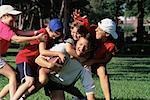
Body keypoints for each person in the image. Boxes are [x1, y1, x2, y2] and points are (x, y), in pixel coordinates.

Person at [11, 18, 64, 100]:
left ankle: (20, 97)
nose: (54, 37)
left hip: (33, 62)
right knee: (29, 81)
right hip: (25, 58)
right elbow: (43, 51)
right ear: (49, 29)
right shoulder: (43, 33)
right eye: (54, 34)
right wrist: (58, 53)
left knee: (37, 81)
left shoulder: (50, 36)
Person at [0, 5, 44, 100]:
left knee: (15, 76)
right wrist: (36, 38)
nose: (14, 19)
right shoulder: (2, 27)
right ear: (4, 16)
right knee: (12, 76)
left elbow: (22, 32)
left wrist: (37, 32)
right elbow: (17, 39)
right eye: (12, 16)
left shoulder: (8, 26)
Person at [35, 34, 96, 100]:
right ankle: (23, 96)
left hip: (65, 85)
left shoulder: (85, 65)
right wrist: (50, 65)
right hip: (52, 80)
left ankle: (80, 97)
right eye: (80, 44)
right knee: (40, 81)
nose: (82, 48)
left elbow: (90, 89)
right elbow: (38, 59)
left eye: (86, 47)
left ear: (89, 49)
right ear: (76, 42)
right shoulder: (63, 49)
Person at [84, 18, 118, 100]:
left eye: (99, 29)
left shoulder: (110, 46)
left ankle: (108, 98)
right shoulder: (92, 30)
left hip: (95, 62)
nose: (96, 29)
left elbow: (106, 60)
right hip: (82, 59)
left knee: (102, 71)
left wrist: (93, 61)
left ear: (106, 34)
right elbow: (82, 25)